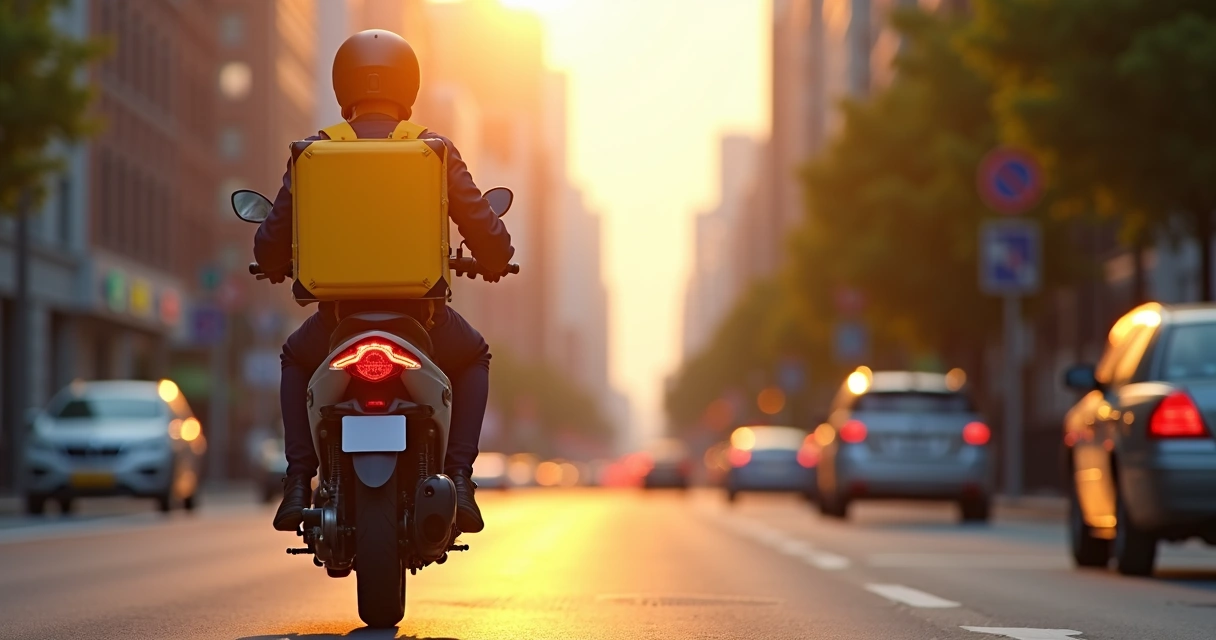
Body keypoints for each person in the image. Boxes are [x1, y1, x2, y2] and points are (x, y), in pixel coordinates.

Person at [253, 29, 514, 535]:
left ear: (342, 85)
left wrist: (277, 263)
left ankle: (297, 481)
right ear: (407, 86)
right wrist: (495, 260)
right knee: (474, 355)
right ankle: (459, 477)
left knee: (292, 357)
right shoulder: (432, 149)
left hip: (336, 326)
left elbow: (268, 246)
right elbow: (488, 235)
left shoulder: (314, 150)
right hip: (425, 324)